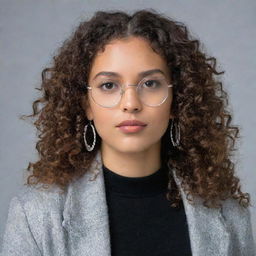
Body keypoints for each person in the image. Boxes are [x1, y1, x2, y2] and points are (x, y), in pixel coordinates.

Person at [1, 8, 255, 256]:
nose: (131, 103)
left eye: (151, 83)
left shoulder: (227, 213)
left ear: (177, 100)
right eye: (109, 85)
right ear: (86, 105)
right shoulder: (35, 214)